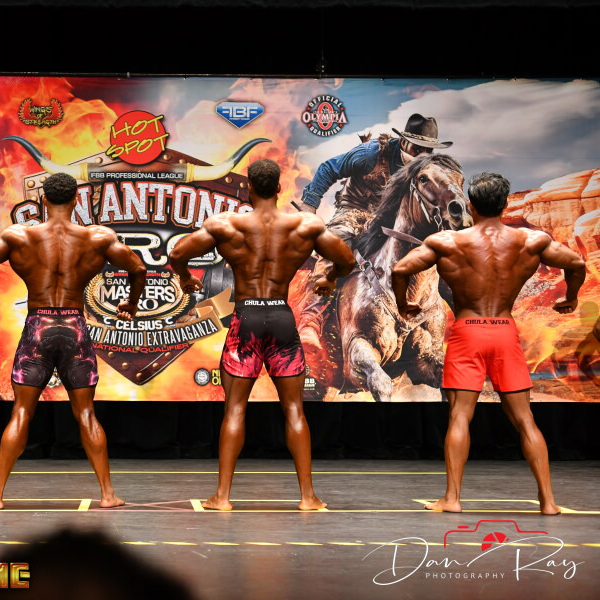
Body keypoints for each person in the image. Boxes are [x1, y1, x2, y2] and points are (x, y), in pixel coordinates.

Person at [391, 172, 586, 514]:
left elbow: (400, 269)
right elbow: (576, 263)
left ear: (470, 204)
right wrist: (570, 298)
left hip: (468, 332)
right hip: (504, 331)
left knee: (459, 417)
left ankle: (452, 499)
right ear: (505, 204)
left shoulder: (447, 242)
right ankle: (549, 502)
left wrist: (404, 304)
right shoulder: (530, 241)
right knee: (525, 420)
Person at [169, 158, 355, 511]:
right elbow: (347, 260)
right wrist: (329, 279)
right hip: (282, 318)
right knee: (294, 410)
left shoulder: (226, 224)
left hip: (246, 320)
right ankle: (308, 497)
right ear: (280, 188)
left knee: (235, 410)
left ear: (249, 187)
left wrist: (185, 277)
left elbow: (178, 253)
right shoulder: (305, 225)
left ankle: (223, 497)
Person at [0, 172, 147, 509]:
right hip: (75, 326)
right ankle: (108, 495)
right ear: (76, 199)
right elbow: (137, 269)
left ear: (44, 200)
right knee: (86, 413)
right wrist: (131, 304)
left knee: (22, 412)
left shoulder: (19, 236)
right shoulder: (98, 237)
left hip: (39, 325)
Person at [297, 114, 453, 351]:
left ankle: (465, 318)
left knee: (439, 260)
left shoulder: (429, 170)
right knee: (335, 250)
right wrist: (310, 204)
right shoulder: (371, 153)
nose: (422, 154)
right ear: (404, 142)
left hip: (396, 223)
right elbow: (330, 168)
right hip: (356, 212)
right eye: (417, 148)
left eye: (428, 150)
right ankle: (311, 320)